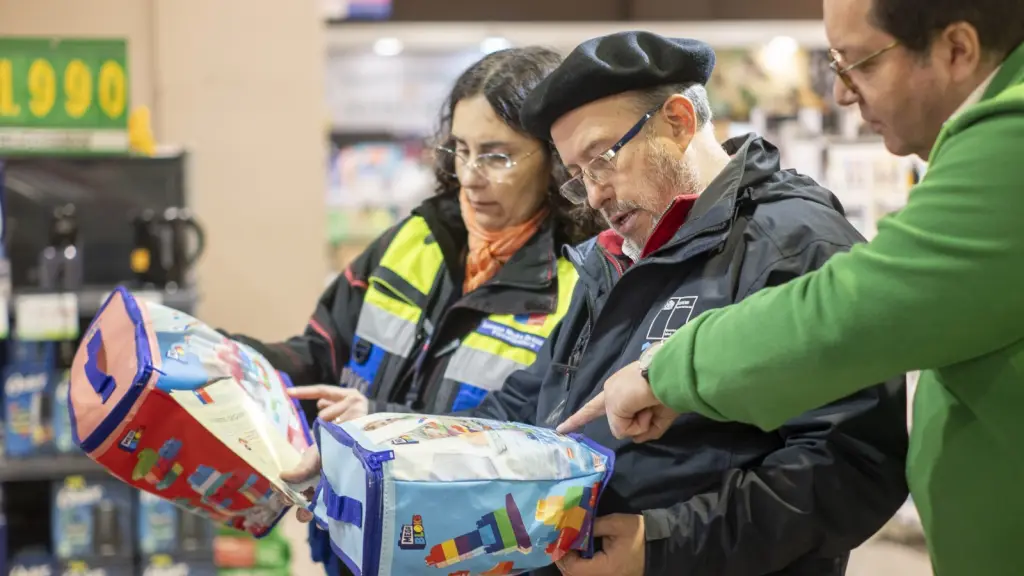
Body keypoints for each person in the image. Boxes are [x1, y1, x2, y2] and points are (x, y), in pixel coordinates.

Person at [288, 31, 910, 576]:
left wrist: (660, 545)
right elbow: (530, 407)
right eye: (577, 174)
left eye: (603, 159)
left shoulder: (793, 246)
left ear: (678, 121)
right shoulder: (616, 256)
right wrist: (383, 444)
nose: (593, 194)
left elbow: (852, 465)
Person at [558, 4, 1024, 576]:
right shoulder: (612, 254)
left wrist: (666, 373)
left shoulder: (1011, 145)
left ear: (957, 50)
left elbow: (855, 315)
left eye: (860, 63)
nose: (842, 92)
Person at [231, 46, 602, 574]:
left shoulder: (580, 284)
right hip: (355, 548)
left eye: (496, 155)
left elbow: (537, 447)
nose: (470, 175)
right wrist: (232, 360)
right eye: (460, 149)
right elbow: (320, 354)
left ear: (556, 158)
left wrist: (379, 422)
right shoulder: (413, 238)